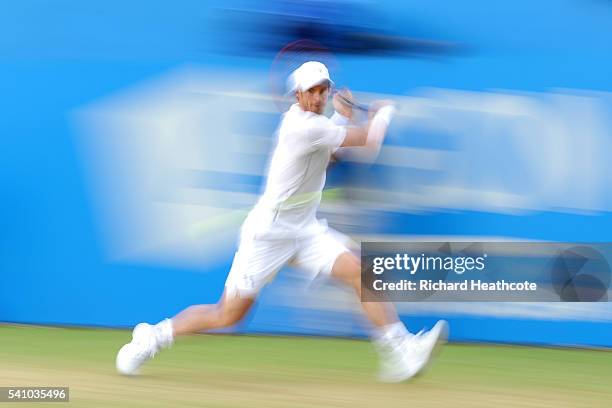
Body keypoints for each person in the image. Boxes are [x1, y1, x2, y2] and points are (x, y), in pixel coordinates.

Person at [116, 61, 447, 382]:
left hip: (305, 230)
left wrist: (341, 117)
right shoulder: (303, 126)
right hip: (267, 235)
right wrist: (382, 113)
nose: (317, 97)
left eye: (322, 90)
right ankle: (153, 336)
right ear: (297, 95)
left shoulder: (317, 127)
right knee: (228, 315)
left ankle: (400, 350)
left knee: (360, 272)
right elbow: (369, 142)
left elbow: (328, 157)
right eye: (311, 91)